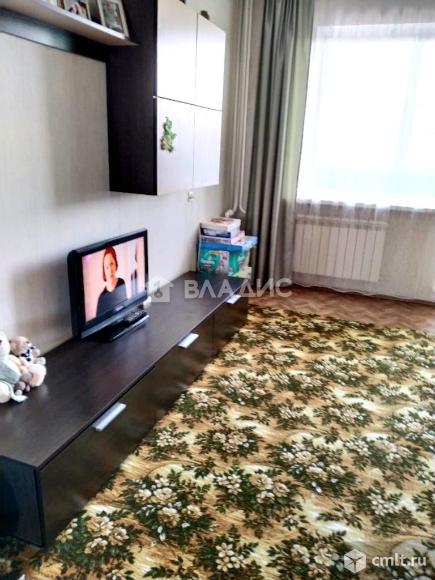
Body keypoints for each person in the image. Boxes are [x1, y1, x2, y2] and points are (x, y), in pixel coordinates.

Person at [96, 247, 127, 317]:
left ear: (116, 263)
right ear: (104, 271)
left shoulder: (121, 282)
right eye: (107, 267)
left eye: (111, 264)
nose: (110, 270)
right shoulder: (101, 297)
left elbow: (125, 306)